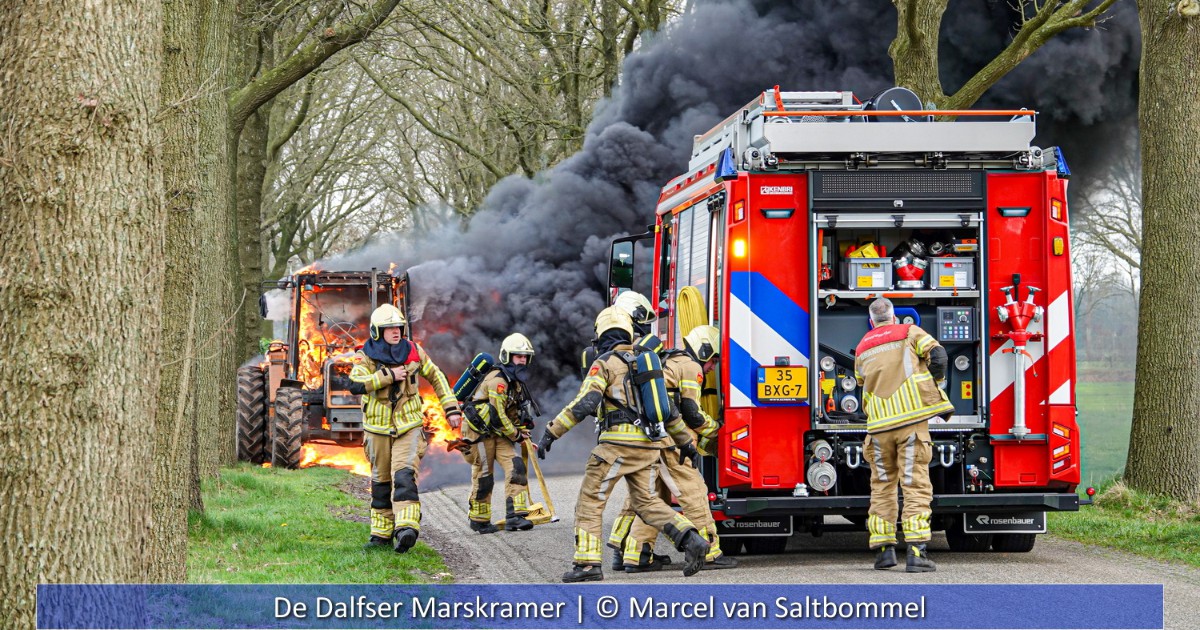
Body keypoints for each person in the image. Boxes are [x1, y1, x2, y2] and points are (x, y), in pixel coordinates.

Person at [538, 307, 710, 582]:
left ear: (603, 333)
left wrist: (551, 432)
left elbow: (586, 403)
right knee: (646, 502)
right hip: (648, 448)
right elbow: (669, 411)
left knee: (590, 501)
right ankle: (692, 539)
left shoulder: (605, 363)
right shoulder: (647, 362)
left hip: (615, 447)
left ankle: (587, 565)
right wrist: (685, 442)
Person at [609, 324, 736, 572]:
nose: (712, 368)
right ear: (705, 350)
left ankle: (636, 553)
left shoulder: (669, 360)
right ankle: (709, 552)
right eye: (713, 361)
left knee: (653, 497)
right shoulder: (690, 365)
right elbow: (691, 412)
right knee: (694, 491)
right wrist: (718, 431)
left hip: (649, 437)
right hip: (672, 442)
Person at [350, 304, 462, 553]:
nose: (396, 332)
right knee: (381, 482)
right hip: (377, 430)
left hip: (408, 427)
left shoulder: (414, 352)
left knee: (403, 475)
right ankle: (380, 535)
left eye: (398, 327)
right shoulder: (365, 355)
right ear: (377, 332)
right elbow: (356, 383)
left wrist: (451, 408)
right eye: (389, 328)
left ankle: (406, 528)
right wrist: (388, 375)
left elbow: (436, 376)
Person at [854, 297, 954, 572]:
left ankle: (884, 552)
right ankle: (916, 553)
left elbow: (862, 382)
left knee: (882, 488)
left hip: (877, 430)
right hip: (909, 424)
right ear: (894, 317)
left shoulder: (862, 347)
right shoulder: (909, 332)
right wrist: (935, 383)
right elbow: (939, 355)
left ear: (872, 321)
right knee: (915, 485)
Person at [462, 333, 537, 534]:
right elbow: (498, 415)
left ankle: (516, 516)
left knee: (516, 465)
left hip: (499, 432)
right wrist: (516, 436)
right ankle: (479, 520)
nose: (522, 360)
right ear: (507, 356)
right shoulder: (497, 381)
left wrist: (524, 435)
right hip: (479, 433)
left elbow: (511, 414)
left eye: (525, 356)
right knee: (485, 476)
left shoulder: (516, 383)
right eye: (518, 356)